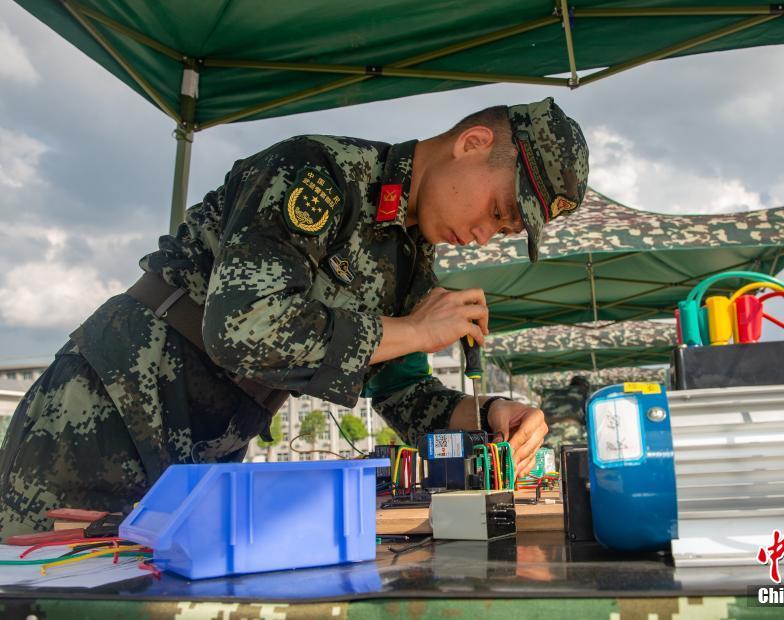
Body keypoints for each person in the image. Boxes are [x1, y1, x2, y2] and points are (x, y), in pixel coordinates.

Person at [0, 98, 589, 538]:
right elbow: (244, 327)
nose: (484, 235)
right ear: (472, 142)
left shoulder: (410, 259)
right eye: (497, 210)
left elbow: (403, 392)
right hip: (104, 415)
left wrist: (488, 416)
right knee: (45, 592)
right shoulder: (319, 174)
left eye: (504, 231)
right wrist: (416, 330)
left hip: (203, 459)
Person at [540, 375, 592, 451]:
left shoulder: (552, 393)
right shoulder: (584, 394)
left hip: (547, 430)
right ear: (585, 385)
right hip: (571, 432)